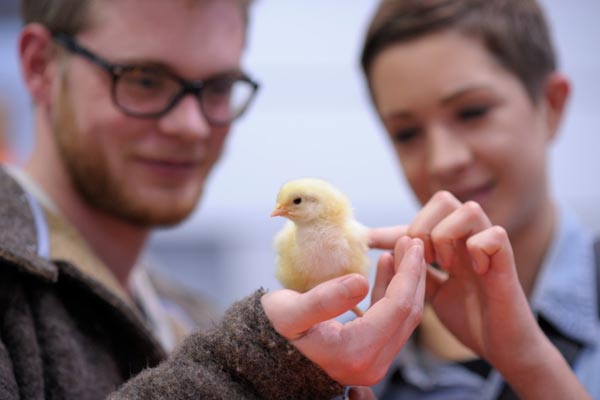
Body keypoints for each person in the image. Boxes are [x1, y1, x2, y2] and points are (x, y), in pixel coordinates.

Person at [0, 0, 431, 398]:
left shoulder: (186, 316)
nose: (190, 125)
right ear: (40, 67)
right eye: (144, 79)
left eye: (219, 87)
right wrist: (249, 372)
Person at [360, 0, 599, 398]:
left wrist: (529, 363)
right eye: (406, 133)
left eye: (472, 112)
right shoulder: (360, 363)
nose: (444, 161)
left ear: (552, 105)